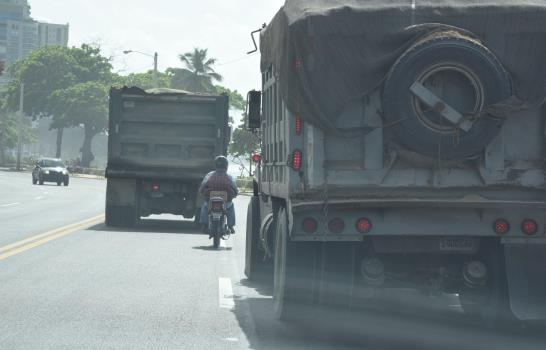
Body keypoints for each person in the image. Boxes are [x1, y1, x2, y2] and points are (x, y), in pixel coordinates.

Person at [199, 155, 238, 234]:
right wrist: (235, 193)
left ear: (215, 165)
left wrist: (201, 192)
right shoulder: (230, 177)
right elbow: (235, 188)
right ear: (226, 166)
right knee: (231, 206)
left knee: (205, 206)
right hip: (226, 203)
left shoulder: (209, 175)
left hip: (210, 202)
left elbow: (203, 186)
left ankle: (204, 225)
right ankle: (231, 226)